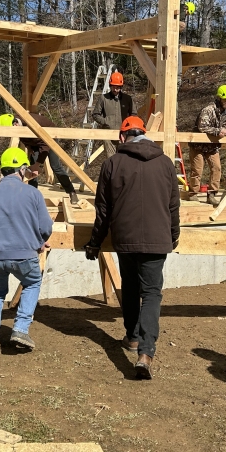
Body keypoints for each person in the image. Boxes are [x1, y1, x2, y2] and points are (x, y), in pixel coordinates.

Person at [83, 116, 180, 380]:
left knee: (130, 288)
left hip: (125, 238)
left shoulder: (112, 163)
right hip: (157, 238)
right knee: (151, 293)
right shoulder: (165, 163)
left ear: (122, 137)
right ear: (145, 134)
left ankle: (133, 337)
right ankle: (146, 353)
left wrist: (95, 242)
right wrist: (173, 235)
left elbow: (103, 209)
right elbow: (173, 205)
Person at [0, 147, 54, 357]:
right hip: (24, 255)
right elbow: (45, 227)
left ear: (2, 170)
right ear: (22, 169)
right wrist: (39, 241)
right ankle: (20, 329)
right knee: (32, 282)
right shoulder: (33, 193)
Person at [0, 112, 81, 204]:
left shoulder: (32, 124)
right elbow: (23, 137)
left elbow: (45, 146)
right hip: (35, 141)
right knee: (32, 169)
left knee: (55, 166)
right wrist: (30, 149)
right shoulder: (16, 124)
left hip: (50, 138)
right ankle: (32, 196)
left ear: (15, 124)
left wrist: (38, 164)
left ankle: (71, 192)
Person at [188, 85, 226, 206]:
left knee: (217, 168)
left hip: (213, 146)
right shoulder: (208, 110)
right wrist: (218, 131)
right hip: (198, 145)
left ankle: (212, 194)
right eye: (225, 99)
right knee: (197, 169)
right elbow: (202, 127)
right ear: (219, 98)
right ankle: (193, 193)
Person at [92, 71, 137, 159]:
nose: (116, 90)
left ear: (121, 87)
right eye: (114, 87)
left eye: (118, 87)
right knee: (111, 159)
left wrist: (128, 126)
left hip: (123, 135)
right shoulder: (103, 98)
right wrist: (105, 122)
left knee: (123, 159)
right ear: (110, 85)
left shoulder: (128, 99)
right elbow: (95, 114)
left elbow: (134, 114)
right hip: (108, 135)